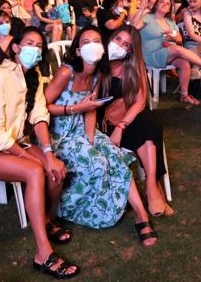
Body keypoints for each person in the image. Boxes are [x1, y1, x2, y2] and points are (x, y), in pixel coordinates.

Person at [0, 27, 76, 278]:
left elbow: (39, 117)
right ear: (16, 48)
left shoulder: (34, 77)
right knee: (35, 170)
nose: (35, 49)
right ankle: (43, 253)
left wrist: (47, 152)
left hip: (12, 142)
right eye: (29, 43)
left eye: (39, 45)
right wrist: (29, 157)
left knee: (55, 169)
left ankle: (45, 220)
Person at [44, 27, 155, 243]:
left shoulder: (96, 74)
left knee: (115, 155)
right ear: (77, 50)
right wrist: (73, 109)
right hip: (60, 134)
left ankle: (142, 217)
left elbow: (91, 109)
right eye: (86, 42)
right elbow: (43, 107)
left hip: (82, 129)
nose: (93, 45)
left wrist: (91, 139)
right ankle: (73, 210)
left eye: (96, 40)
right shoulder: (66, 73)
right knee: (98, 162)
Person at [102, 25, 173, 217]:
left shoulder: (133, 64)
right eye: (118, 40)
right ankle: (156, 190)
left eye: (126, 45)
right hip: (103, 122)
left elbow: (140, 100)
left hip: (128, 118)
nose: (120, 46)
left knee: (148, 123)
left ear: (130, 50)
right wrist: (116, 128)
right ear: (110, 38)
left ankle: (150, 185)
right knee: (144, 128)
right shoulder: (98, 62)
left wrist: (121, 126)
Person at [133, 0, 201, 107]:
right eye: (162, 2)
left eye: (168, 4)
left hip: (166, 52)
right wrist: (141, 9)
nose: (165, 4)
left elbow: (179, 40)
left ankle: (184, 95)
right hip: (150, 54)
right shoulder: (148, 17)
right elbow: (133, 28)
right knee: (177, 50)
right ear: (156, 5)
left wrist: (171, 38)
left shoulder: (169, 21)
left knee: (184, 63)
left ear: (169, 9)